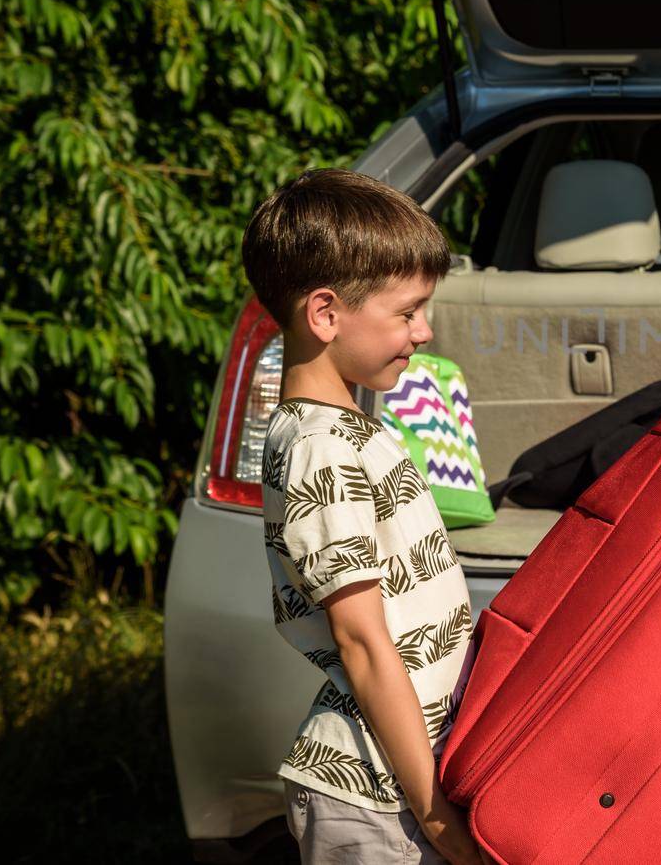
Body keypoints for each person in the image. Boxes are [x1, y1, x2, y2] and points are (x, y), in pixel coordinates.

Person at [242, 168, 489, 865]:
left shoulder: (345, 427)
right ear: (325, 315)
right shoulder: (322, 451)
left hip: (395, 787)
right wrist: (435, 814)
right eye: (407, 312)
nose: (424, 329)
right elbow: (363, 644)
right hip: (376, 803)